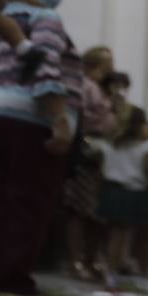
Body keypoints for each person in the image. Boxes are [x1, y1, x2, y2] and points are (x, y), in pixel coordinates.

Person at [0, 0, 83, 295]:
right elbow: (45, 63)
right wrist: (59, 120)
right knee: (29, 202)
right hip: (29, 117)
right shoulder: (45, 17)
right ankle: (15, 281)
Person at [63, 45, 117, 279]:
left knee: (98, 211)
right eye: (107, 61)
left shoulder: (104, 89)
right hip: (86, 149)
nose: (111, 65)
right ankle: (76, 261)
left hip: (102, 149)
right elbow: (80, 115)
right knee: (79, 209)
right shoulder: (85, 85)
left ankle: (91, 258)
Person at [97, 106, 148, 278]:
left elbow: (102, 170)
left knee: (115, 234)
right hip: (135, 193)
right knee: (142, 236)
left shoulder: (109, 146)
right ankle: (143, 271)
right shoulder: (145, 149)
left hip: (112, 190)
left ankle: (111, 271)